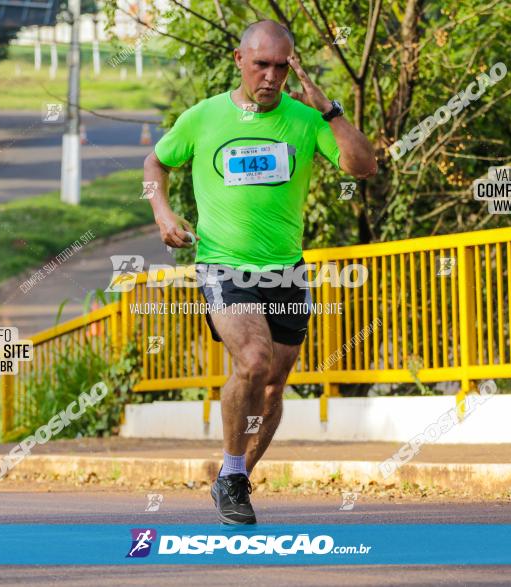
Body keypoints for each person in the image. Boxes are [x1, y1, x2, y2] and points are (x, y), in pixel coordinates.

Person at [143, 19, 377, 525]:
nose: (270, 77)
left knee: (273, 385)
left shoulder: (305, 118)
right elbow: (155, 165)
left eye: (280, 67)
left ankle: (235, 478)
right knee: (252, 360)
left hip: (287, 271)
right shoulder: (203, 118)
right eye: (260, 65)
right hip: (224, 265)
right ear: (239, 60)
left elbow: (363, 167)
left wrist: (330, 111)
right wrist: (161, 211)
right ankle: (230, 472)